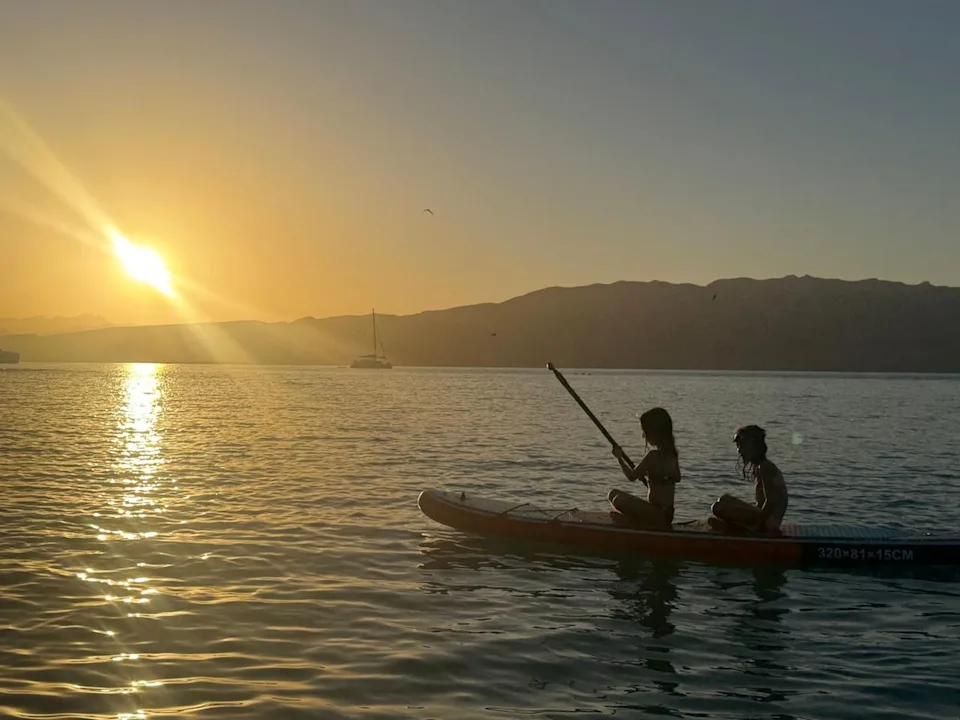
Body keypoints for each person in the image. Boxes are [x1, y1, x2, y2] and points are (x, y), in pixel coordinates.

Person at [608, 407, 680, 529]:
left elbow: (631, 477)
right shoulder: (673, 454)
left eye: (645, 431)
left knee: (617, 498)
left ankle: (634, 522)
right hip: (667, 514)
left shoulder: (652, 456)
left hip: (657, 514)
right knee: (613, 493)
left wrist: (619, 458)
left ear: (655, 433)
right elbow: (677, 478)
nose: (643, 436)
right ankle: (639, 519)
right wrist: (654, 478)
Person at [709, 424, 788, 534]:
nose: (738, 451)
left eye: (741, 446)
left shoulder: (766, 468)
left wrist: (756, 525)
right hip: (766, 519)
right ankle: (735, 526)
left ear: (752, 446)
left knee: (717, 507)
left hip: (768, 524)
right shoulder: (762, 466)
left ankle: (739, 528)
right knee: (724, 499)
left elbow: (771, 503)